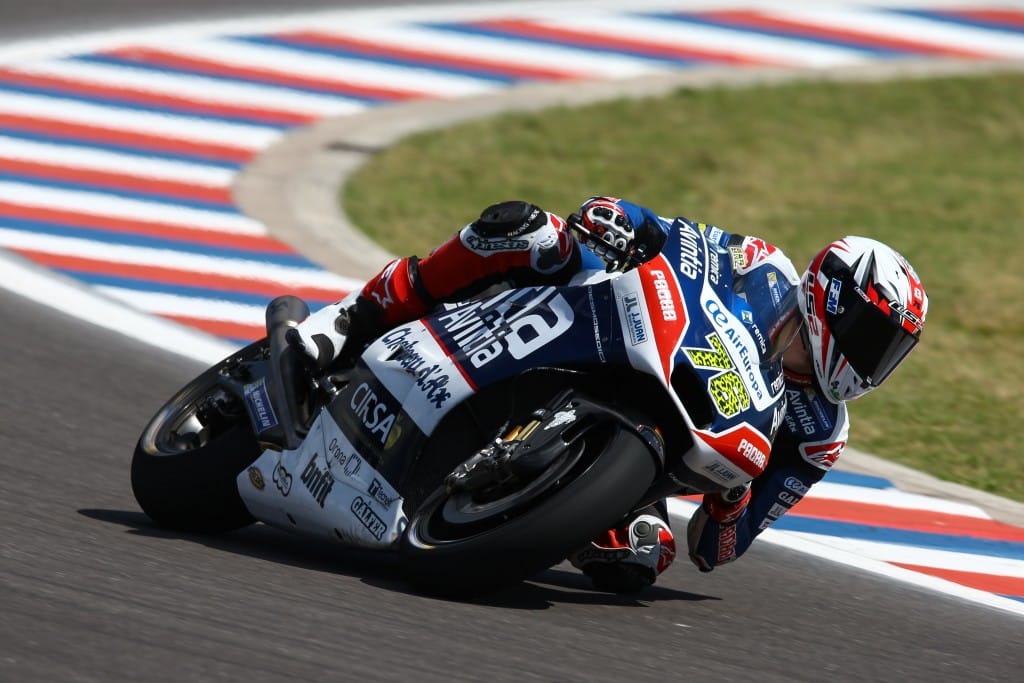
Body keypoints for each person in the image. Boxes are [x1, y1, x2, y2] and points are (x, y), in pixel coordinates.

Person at [287, 197, 928, 592]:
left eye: (889, 354)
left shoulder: (819, 434)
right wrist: (616, 221)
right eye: (873, 339)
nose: (874, 363)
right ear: (831, 299)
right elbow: (673, 236)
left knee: (644, 557)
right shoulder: (762, 268)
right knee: (532, 234)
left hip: (648, 461)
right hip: (620, 339)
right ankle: (354, 320)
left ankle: (517, 510)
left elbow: (718, 548)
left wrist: (732, 505)